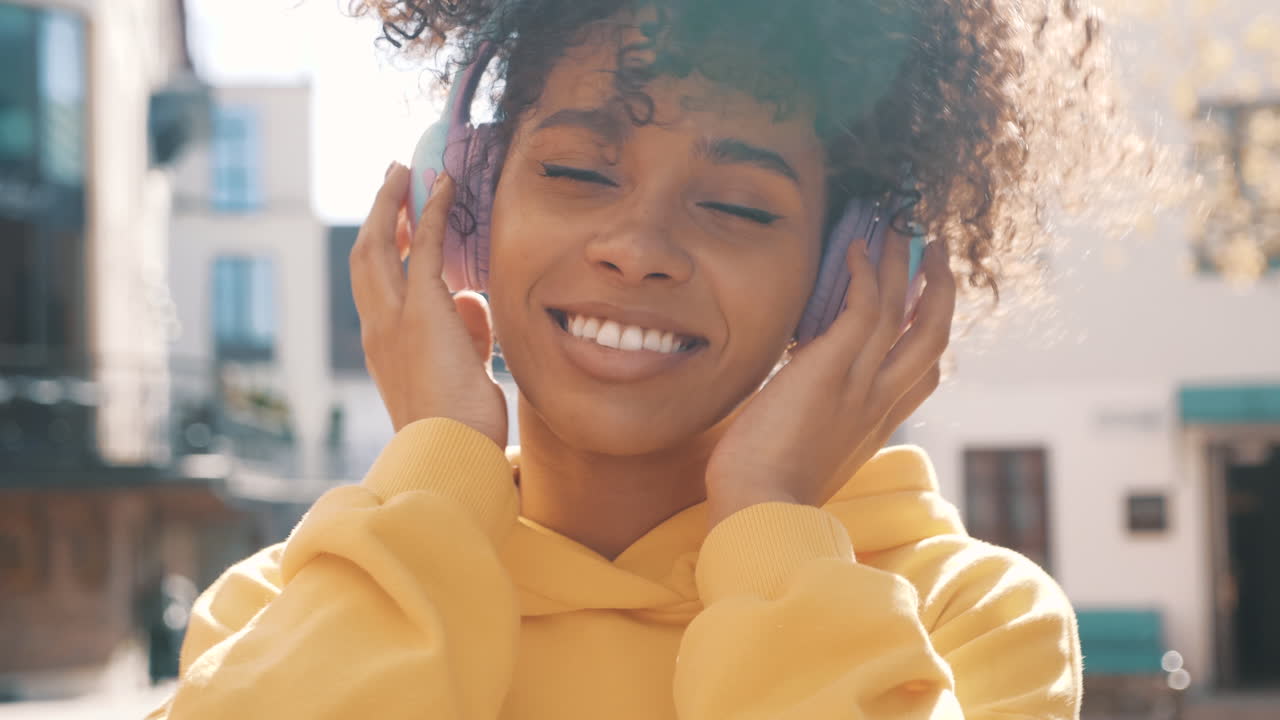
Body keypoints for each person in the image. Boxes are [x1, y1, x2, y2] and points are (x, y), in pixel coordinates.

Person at [150, 1, 1168, 717]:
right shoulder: (286, 607)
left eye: (734, 206)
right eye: (577, 171)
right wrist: (433, 484)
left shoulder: (965, 617)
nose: (636, 248)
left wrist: (771, 524)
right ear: (463, 205)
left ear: (844, 273)